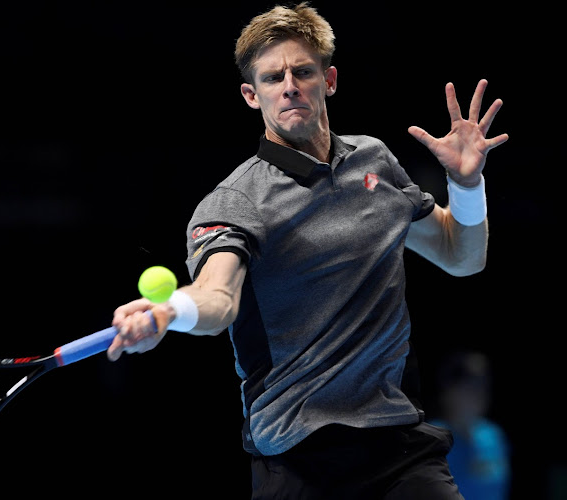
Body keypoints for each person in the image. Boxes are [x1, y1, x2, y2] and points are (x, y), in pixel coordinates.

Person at [106, 2, 508, 498]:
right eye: (273, 78)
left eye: (303, 71)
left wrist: (466, 186)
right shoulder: (236, 201)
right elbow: (218, 299)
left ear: (329, 79)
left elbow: (461, 257)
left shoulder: (375, 162)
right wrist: (172, 310)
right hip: (299, 459)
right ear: (252, 96)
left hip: (397, 445)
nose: (290, 85)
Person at [431, 351, 511, 499]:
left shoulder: (494, 435)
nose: (480, 393)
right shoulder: (431, 440)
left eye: (483, 383)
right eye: (470, 384)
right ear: (448, 390)